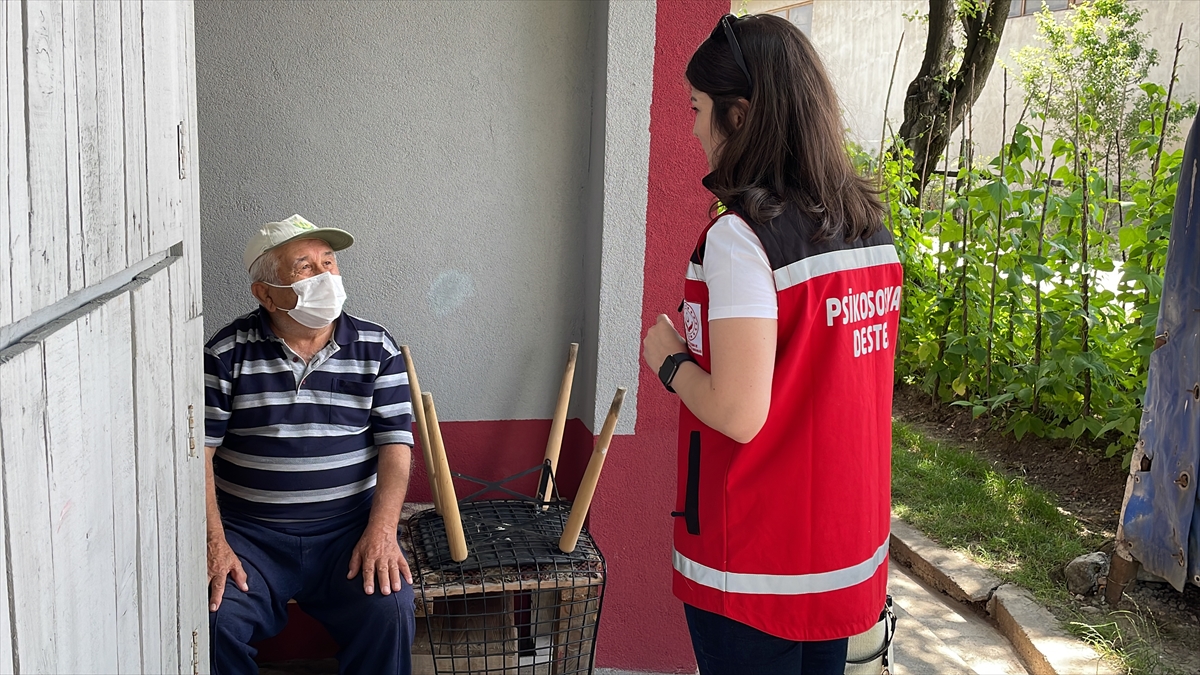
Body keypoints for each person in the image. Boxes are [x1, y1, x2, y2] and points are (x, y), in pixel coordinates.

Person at [641, 14, 902, 675]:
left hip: (758, 563)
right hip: (842, 553)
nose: (694, 127)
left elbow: (737, 410)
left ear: (740, 114)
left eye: (699, 109)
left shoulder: (743, 239)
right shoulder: (865, 229)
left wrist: (668, 358)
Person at [204, 214, 416, 674]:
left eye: (329, 262)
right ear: (265, 293)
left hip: (346, 532)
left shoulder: (377, 348)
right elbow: (199, 453)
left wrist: (381, 533)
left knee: (390, 609)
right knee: (214, 619)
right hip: (251, 536)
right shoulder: (226, 353)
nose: (325, 276)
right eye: (304, 266)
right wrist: (215, 542)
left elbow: (397, 447)